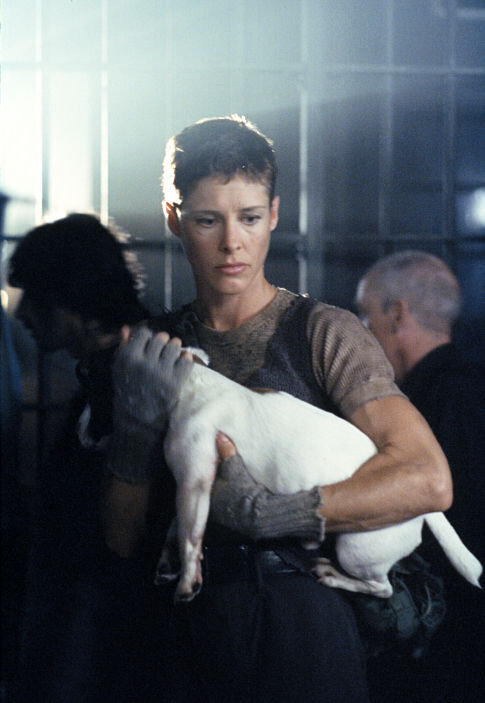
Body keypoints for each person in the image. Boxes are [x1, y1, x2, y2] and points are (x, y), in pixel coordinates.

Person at [104, 116, 452, 703]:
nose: (231, 243)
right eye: (207, 219)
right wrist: (135, 432)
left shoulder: (323, 333)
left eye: (248, 217)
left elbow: (428, 480)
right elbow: (119, 541)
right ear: (173, 218)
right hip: (182, 631)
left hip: (304, 627)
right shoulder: (155, 349)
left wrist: (274, 515)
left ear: (273, 214)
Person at [7, 213, 151, 702]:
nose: (21, 313)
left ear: (70, 297)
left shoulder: (139, 377)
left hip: (108, 640)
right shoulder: (103, 376)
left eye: (34, 296)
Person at [355, 250, 485, 702]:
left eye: (366, 318)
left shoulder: (434, 405)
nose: (363, 334)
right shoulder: (470, 389)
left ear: (398, 314)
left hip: (449, 642)